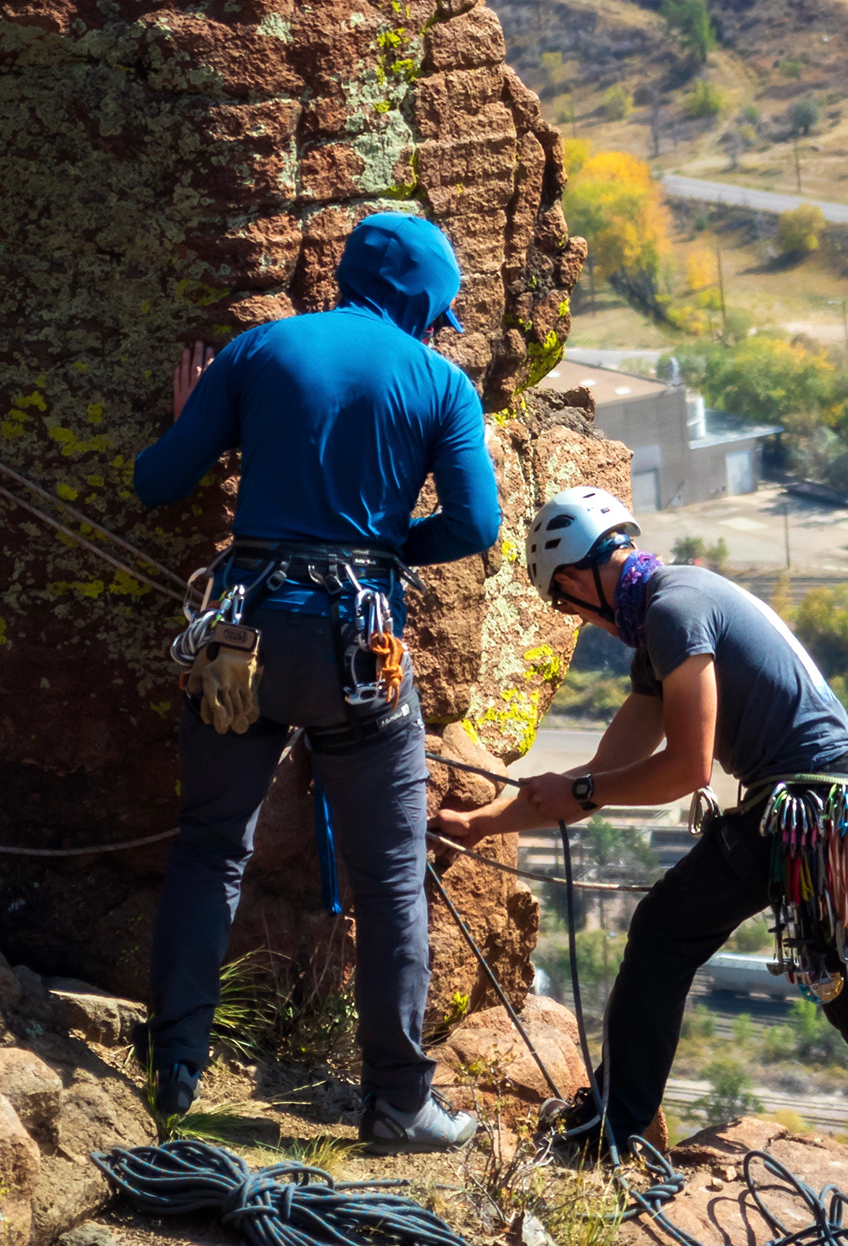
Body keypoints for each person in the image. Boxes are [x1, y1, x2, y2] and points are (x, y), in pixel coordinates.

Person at [434, 486, 848, 1176]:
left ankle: (613, 1129)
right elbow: (603, 772)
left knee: (664, 933)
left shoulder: (671, 612)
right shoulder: (674, 606)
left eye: (565, 606)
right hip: (829, 811)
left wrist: (585, 789)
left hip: (803, 810)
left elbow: (686, 768)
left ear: (573, 579)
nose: (579, 621)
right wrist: (481, 823)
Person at [131, 212, 501, 1155]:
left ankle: (173, 1068)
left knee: (213, 844)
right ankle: (397, 1103)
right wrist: (380, 554)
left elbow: (159, 484)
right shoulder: (439, 382)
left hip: (243, 632)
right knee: (388, 879)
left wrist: (188, 426)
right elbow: (475, 525)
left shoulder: (258, 350)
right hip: (359, 646)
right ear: (423, 300)